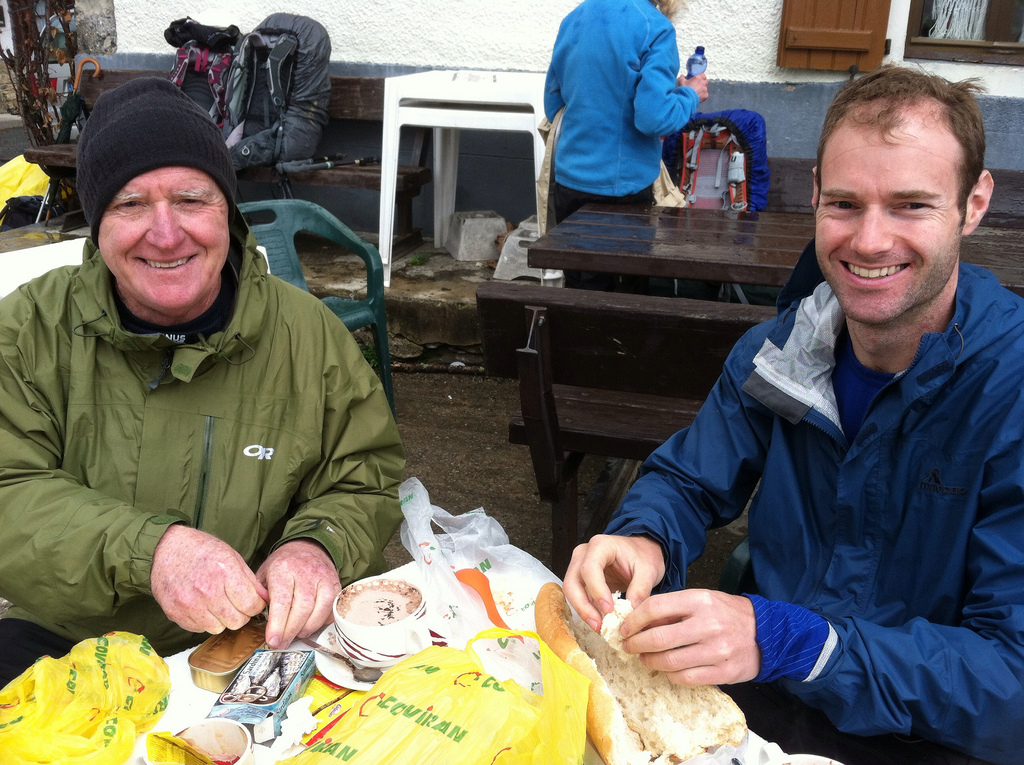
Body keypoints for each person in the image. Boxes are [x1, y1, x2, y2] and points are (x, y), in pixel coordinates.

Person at [564, 65, 1024, 765]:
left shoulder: (1010, 387)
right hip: (762, 712)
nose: (869, 241)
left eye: (910, 206)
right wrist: (644, 537)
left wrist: (798, 641)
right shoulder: (777, 352)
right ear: (812, 194)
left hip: (933, 741)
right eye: (844, 203)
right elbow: (688, 480)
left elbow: (1011, 687)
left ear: (974, 203)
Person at [0, 78, 405, 684]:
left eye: (191, 199)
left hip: (248, 646)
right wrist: (152, 551)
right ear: (96, 222)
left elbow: (363, 477)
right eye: (130, 204)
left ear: (228, 211)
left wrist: (317, 545)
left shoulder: (309, 337)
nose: (166, 235)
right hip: (63, 642)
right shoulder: (27, 329)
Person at [544, 0, 708, 290]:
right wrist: (689, 95)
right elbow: (653, 118)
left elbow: (553, 103)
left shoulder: (574, 19)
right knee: (625, 298)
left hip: (569, 180)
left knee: (579, 287)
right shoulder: (655, 28)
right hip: (623, 190)